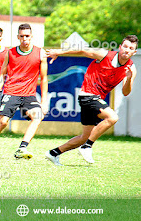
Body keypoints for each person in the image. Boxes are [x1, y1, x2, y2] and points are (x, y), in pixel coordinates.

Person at [45, 35, 138, 166]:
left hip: (96, 99)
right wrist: (58, 52)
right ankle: (87, 147)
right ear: (120, 47)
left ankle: (53, 153)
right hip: (87, 94)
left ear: (134, 52)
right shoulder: (104, 55)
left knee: (84, 137)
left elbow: (125, 92)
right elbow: (83, 51)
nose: (127, 50)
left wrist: (128, 78)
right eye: (125, 46)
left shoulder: (131, 69)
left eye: (131, 48)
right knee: (112, 118)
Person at [0, 23, 49, 160]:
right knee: (2, 122)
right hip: (11, 92)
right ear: (18, 37)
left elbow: (44, 78)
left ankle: (22, 148)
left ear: (32, 36)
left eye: (27, 36)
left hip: (29, 95)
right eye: (22, 36)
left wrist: (44, 101)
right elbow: (2, 76)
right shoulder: (10, 53)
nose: (25, 39)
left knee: (38, 116)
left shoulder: (40, 53)